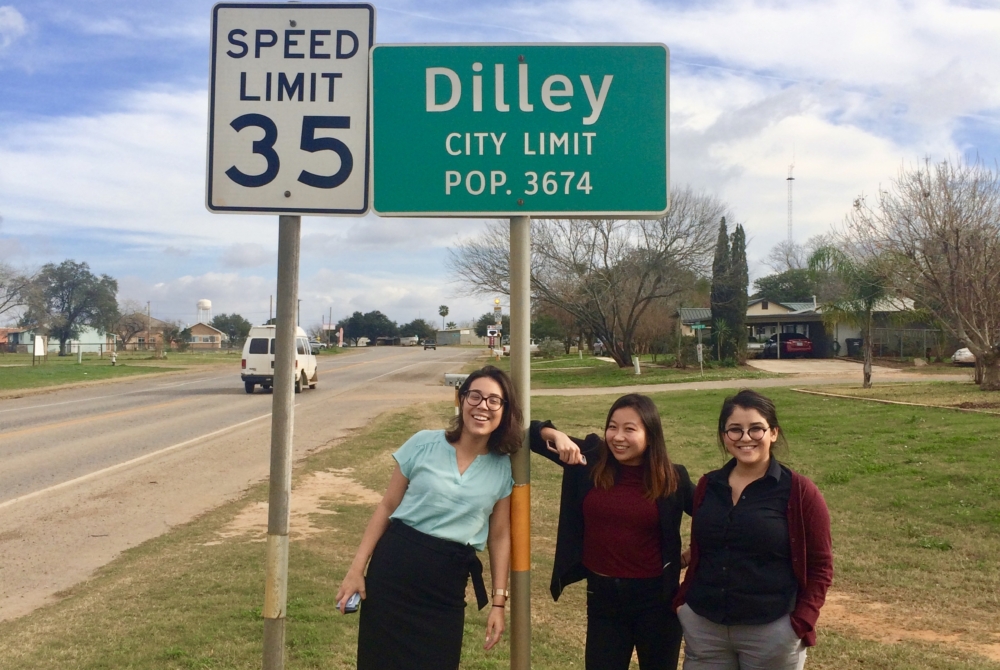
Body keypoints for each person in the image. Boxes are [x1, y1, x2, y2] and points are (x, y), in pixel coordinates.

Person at [336, 365, 523, 670]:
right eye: (474, 396)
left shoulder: (503, 467)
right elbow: (387, 506)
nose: (482, 406)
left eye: (493, 400)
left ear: (504, 411)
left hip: (445, 590)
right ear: (461, 400)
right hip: (393, 577)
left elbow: (499, 535)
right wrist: (357, 569)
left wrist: (499, 603)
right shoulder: (423, 443)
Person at [530, 393, 694, 670]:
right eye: (612, 427)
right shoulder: (589, 460)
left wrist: (689, 556)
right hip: (603, 598)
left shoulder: (672, 478)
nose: (617, 437)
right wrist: (556, 435)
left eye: (630, 429)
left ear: (650, 435)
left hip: (656, 600)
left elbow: (715, 517)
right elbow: (533, 435)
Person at [674, 389, 833, 670]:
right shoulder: (708, 486)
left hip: (771, 631)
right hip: (705, 628)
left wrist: (801, 621)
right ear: (724, 436)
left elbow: (820, 565)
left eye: (756, 429)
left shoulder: (799, 491)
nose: (745, 438)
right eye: (735, 430)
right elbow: (703, 548)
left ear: (773, 433)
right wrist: (682, 604)